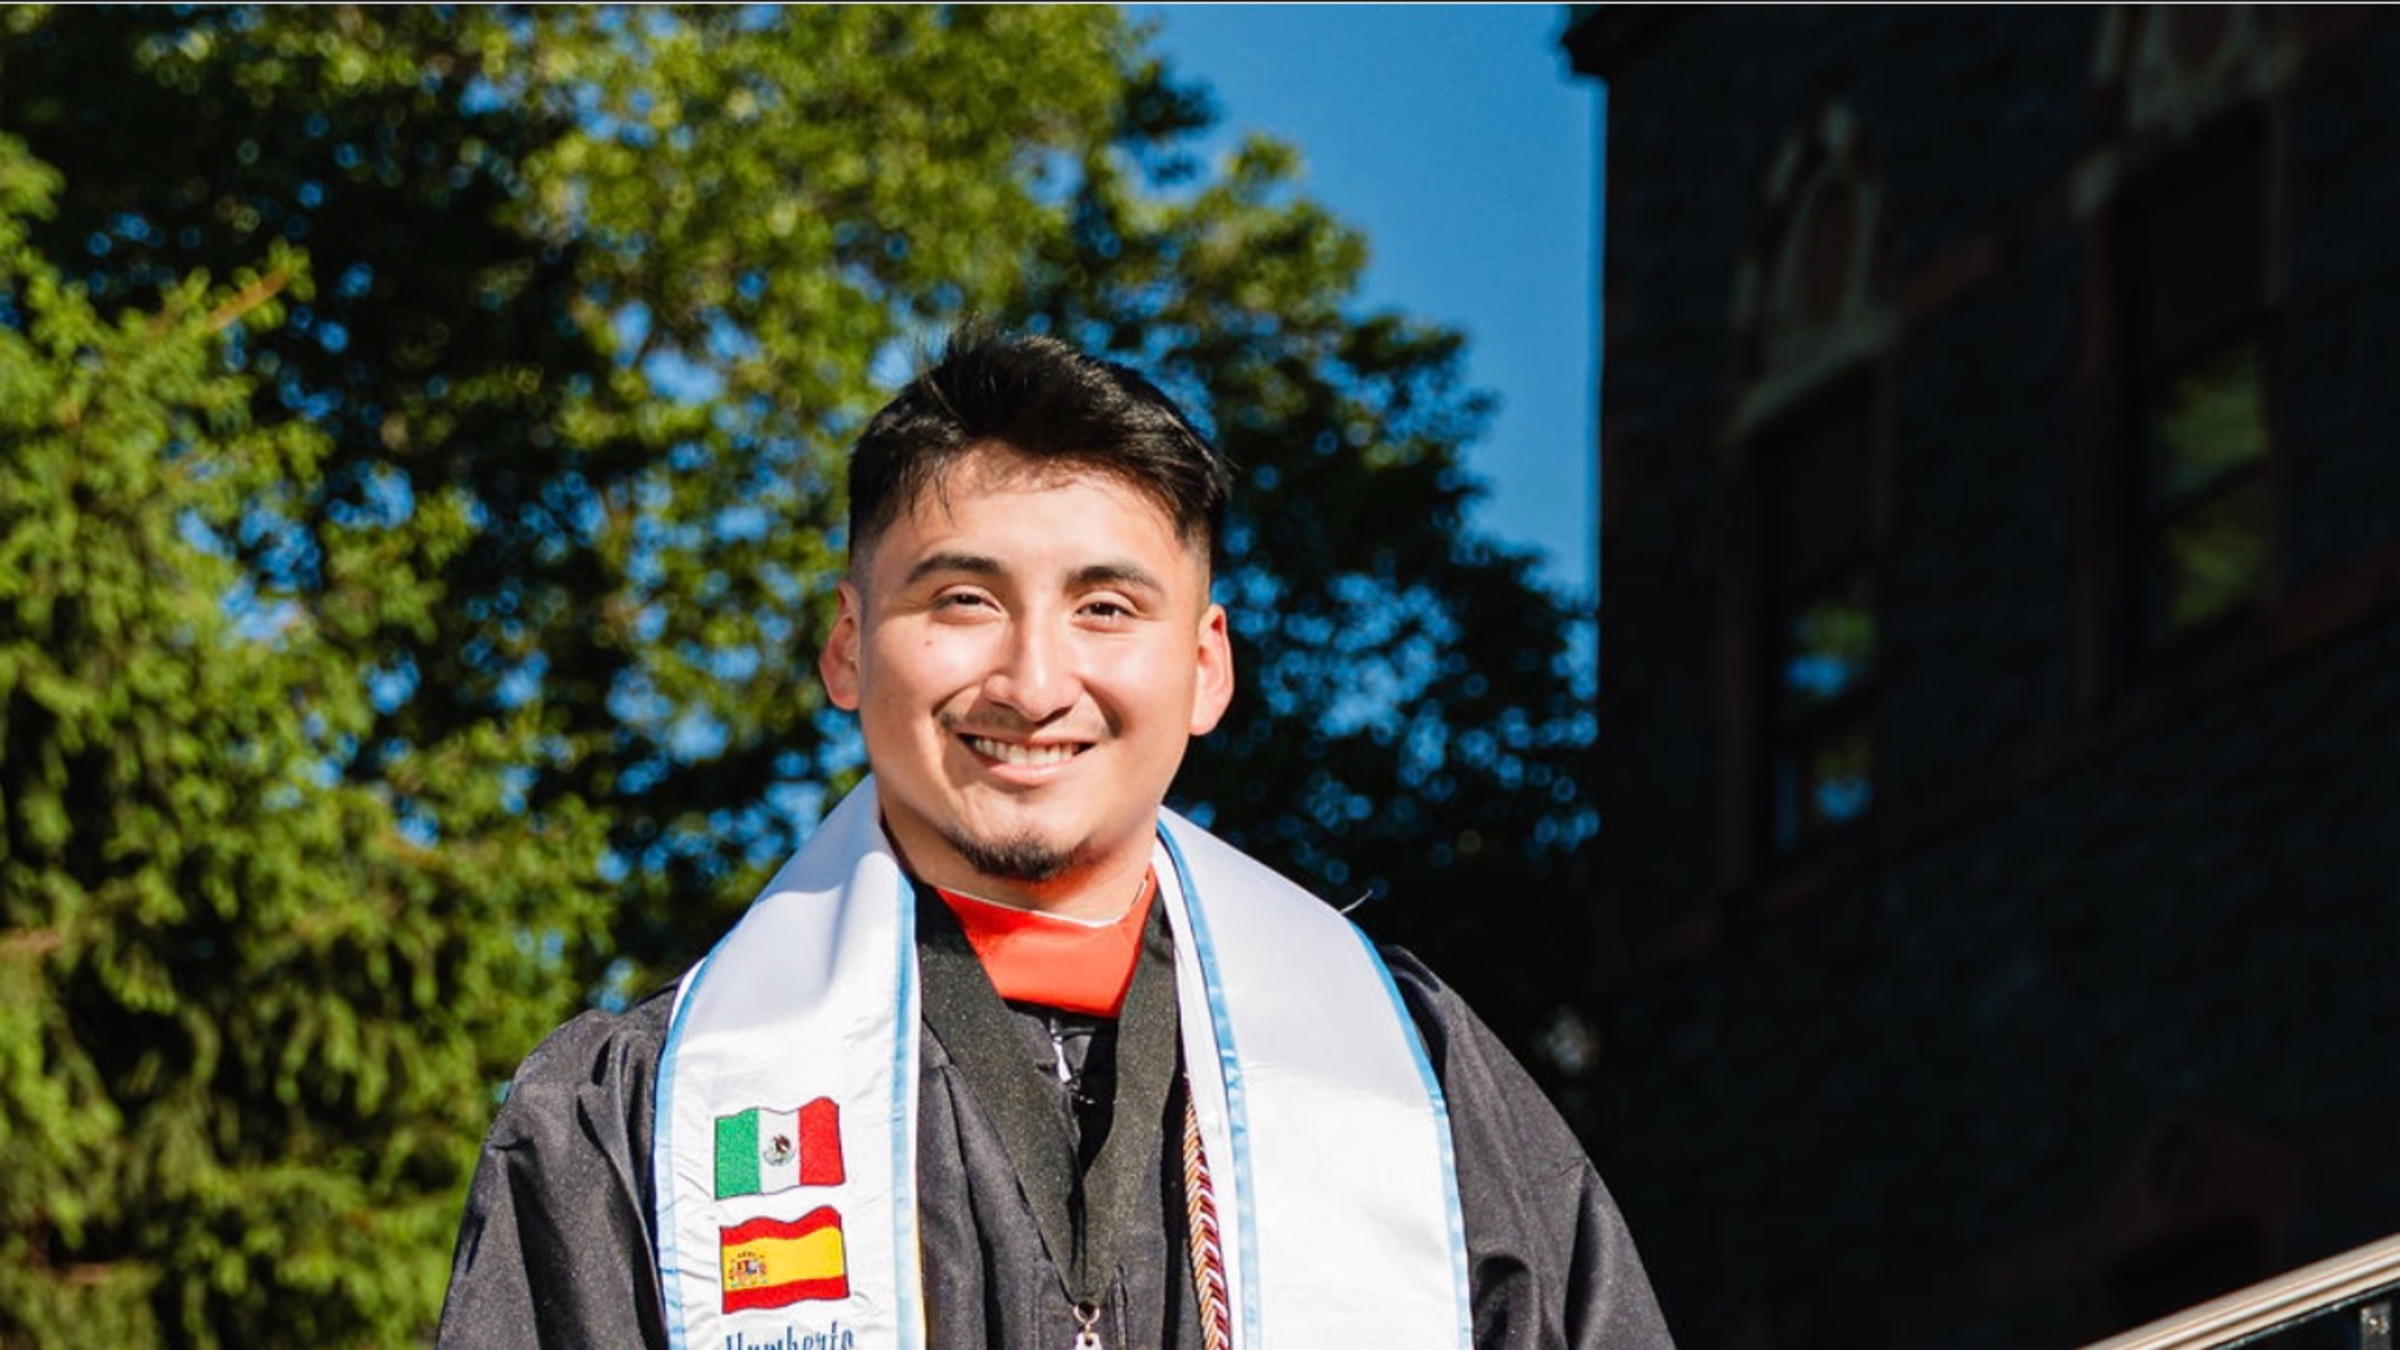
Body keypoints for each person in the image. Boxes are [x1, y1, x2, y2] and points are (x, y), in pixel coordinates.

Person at [437, 329, 1674, 1350]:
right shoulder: (636, 1115)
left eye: (1106, 608)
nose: (1033, 682)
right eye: (962, 600)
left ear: (1203, 668)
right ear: (848, 648)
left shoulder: (1417, 1086)